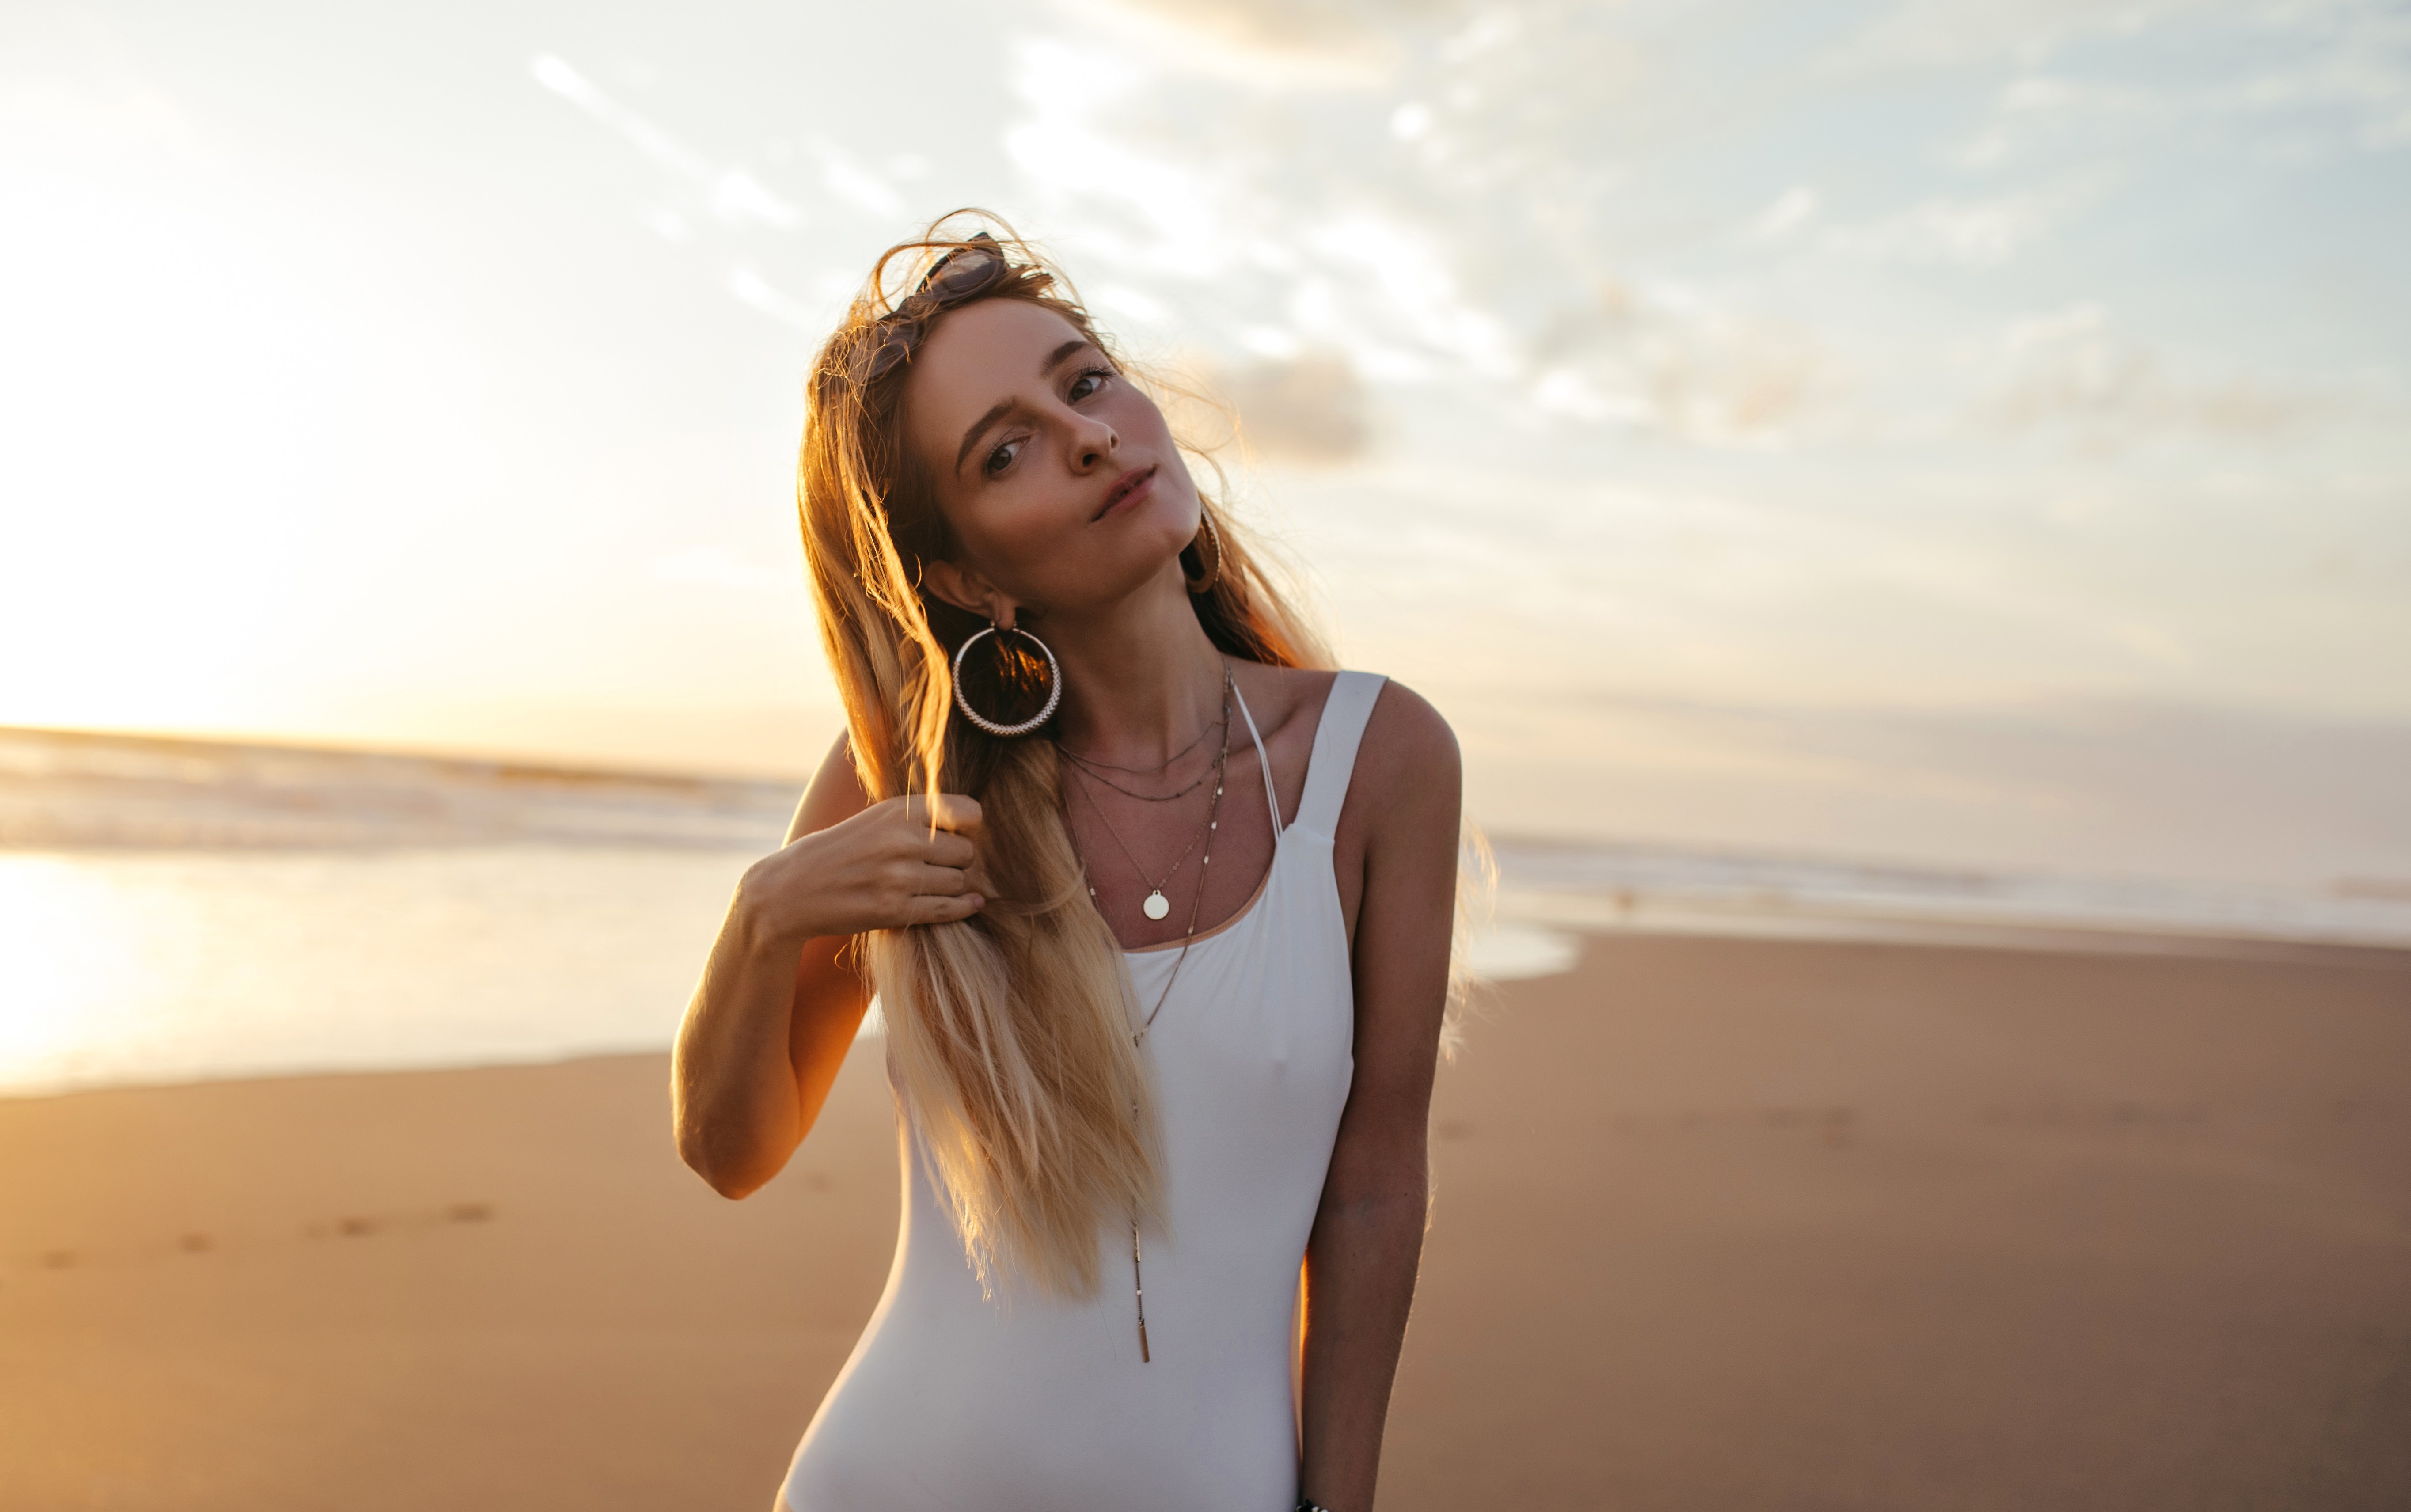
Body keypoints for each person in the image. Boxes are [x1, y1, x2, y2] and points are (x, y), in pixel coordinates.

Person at [671, 212, 1463, 1512]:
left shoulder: (1377, 761)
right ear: (964, 573)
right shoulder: (907, 778)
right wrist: (761, 922)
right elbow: (730, 1149)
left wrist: (1339, 1503)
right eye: (1006, 451)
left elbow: (1373, 1191)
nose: (1088, 433)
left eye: (1083, 379)